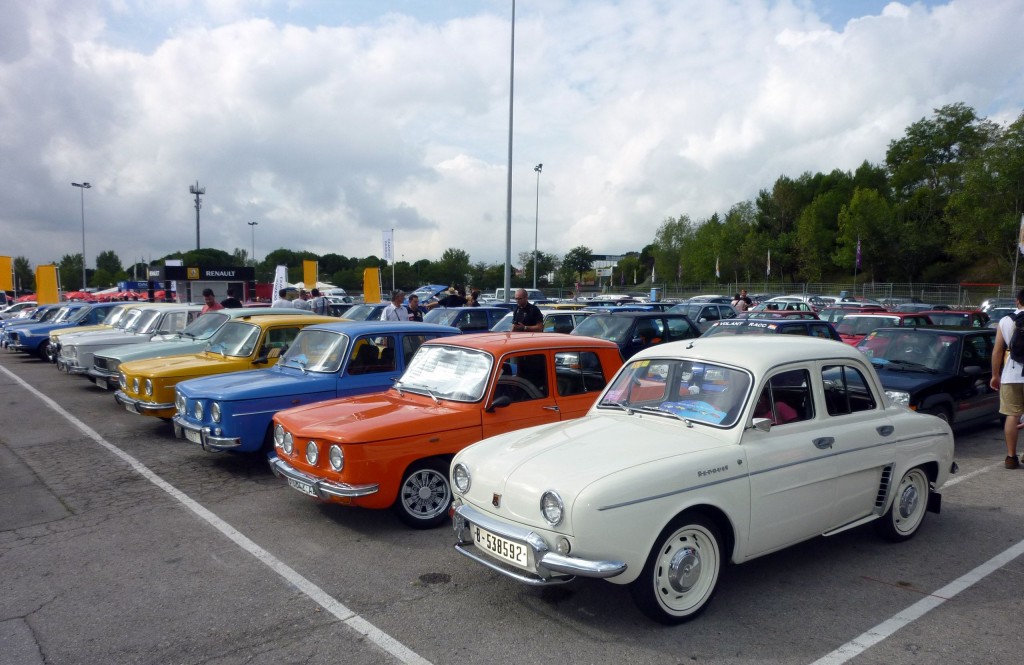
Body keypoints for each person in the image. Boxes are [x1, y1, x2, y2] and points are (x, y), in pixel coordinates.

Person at [990, 288, 1024, 469]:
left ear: (1018, 301)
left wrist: (995, 375)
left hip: (1011, 375)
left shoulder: (1005, 320)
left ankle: (1011, 457)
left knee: (1012, 415)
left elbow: (997, 351)